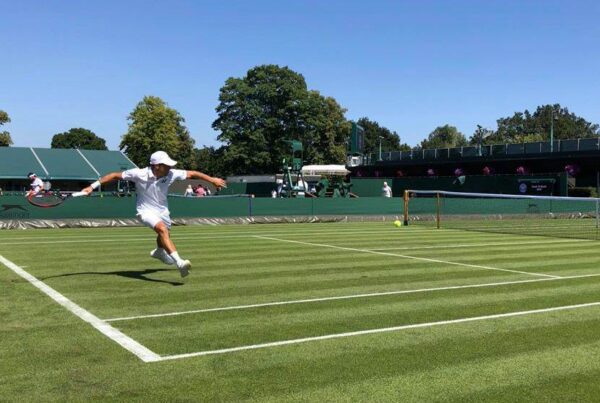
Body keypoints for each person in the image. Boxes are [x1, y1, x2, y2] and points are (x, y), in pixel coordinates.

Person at [79, 151, 226, 277]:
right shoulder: (139, 173)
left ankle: (159, 252)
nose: (170, 167)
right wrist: (92, 187)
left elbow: (193, 173)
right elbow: (113, 176)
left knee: (165, 234)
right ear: (156, 166)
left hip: (163, 210)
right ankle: (180, 263)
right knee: (162, 229)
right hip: (144, 211)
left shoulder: (172, 173)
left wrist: (212, 180)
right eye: (166, 165)